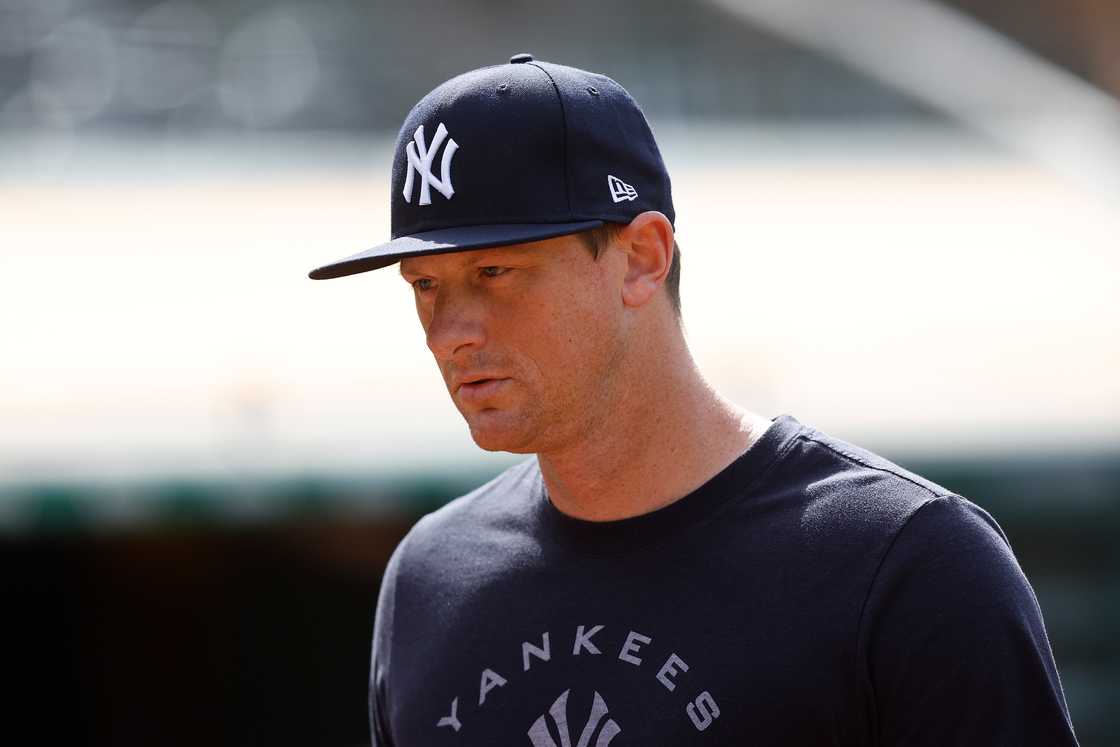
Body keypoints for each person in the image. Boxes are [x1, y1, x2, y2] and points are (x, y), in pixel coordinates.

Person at [309, 55, 1080, 746]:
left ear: (642, 258)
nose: (450, 333)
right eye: (425, 286)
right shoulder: (430, 579)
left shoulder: (902, 564)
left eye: (495, 275)